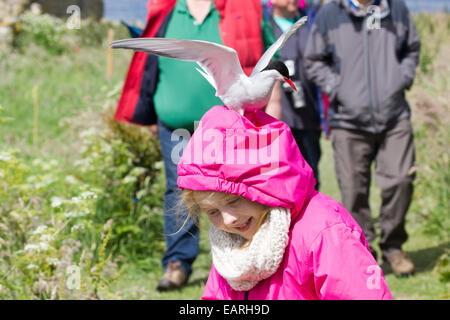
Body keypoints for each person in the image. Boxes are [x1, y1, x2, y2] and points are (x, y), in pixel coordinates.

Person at [114, 0, 281, 291]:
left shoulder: (246, 7)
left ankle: (246, 261)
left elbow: (272, 63)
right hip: (177, 125)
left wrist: (273, 111)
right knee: (180, 190)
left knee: (237, 189)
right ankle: (178, 262)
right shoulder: (166, 11)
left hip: (229, 126)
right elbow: (150, 63)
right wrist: (151, 111)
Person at [176, 105, 392, 299]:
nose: (229, 219)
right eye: (212, 212)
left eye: (234, 200)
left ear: (264, 185)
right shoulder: (229, 242)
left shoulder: (324, 232)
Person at [304, 0, 420, 276]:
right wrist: (338, 88)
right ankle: (366, 253)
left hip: (394, 118)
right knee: (354, 192)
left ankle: (393, 247)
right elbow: (313, 60)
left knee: (401, 180)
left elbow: (411, 49)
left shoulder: (396, 9)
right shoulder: (330, 14)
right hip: (347, 121)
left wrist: (400, 79)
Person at [265, 0, 322, 189]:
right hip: (276, 115)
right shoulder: (264, 25)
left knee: (311, 176)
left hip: (308, 113)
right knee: (280, 180)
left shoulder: (310, 21)